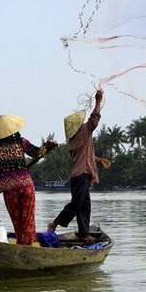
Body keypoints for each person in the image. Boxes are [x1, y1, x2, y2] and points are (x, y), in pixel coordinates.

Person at [0, 114, 57, 245]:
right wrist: (48, 145)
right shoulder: (20, 142)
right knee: (28, 220)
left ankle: (22, 245)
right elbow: (38, 153)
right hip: (25, 186)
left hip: (9, 189)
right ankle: (28, 245)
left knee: (17, 222)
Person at [48, 89, 109, 243]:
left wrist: (98, 159)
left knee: (84, 205)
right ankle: (54, 223)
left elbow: (86, 155)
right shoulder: (83, 132)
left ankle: (83, 233)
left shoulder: (74, 140)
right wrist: (98, 100)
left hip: (81, 175)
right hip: (81, 175)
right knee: (77, 204)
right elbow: (95, 119)